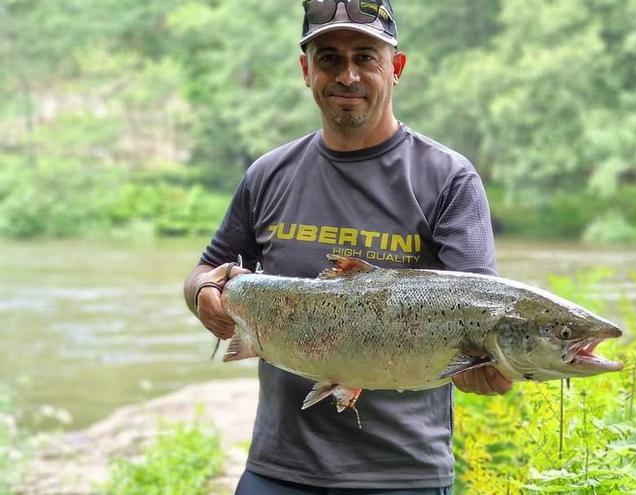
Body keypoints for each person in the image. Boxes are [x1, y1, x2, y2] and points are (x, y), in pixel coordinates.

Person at [183, 1, 512, 493]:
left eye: (366, 57)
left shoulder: (448, 179)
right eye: (330, 58)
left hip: (403, 473)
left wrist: (485, 368)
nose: (348, 75)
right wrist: (204, 294)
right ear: (306, 70)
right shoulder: (268, 174)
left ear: (396, 68)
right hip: (279, 467)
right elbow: (208, 270)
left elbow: (479, 311)